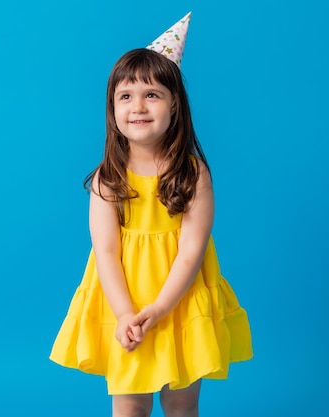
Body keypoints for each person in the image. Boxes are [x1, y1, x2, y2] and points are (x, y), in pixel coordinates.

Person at [49, 12, 253, 417]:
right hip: (125, 298)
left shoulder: (193, 174)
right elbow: (105, 252)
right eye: (126, 96)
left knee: (181, 403)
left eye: (152, 94)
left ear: (174, 104)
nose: (138, 106)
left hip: (179, 300)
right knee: (129, 404)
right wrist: (127, 313)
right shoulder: (108, 180)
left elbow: (192, 251)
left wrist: (160, 309)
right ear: (112, 108)